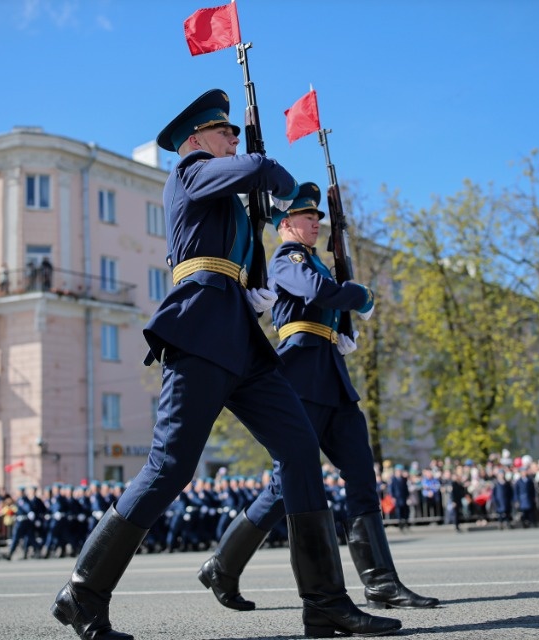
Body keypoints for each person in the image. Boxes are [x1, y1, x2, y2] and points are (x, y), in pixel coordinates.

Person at [50, 89, 400, 639]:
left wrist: (255, 267)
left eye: (237, 132)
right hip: (199, 328)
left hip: (240, 338)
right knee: (170, 467)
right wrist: (268, 174)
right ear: (195, 140)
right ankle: (82, 593)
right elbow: (266, 170)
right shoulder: (188, 173)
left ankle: (325, 602)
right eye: (224, 132)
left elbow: (250, 236)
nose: (234, 139)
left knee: (299, 449)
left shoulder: (227, 202)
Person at [198, 182, 437, 613]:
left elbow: (325, 300)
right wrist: (359, 295)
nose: (315, 224)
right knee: (284, 485)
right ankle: (223, 565)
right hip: (301, 377)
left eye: (316, 218)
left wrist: (341, 326)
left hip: (332, 377)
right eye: (307, 217)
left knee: (361, 474)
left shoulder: (316, 263)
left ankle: (381, 582)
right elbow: (317, 293)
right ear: (285, 223)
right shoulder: (286, 259)